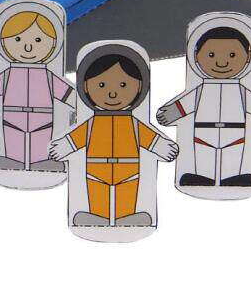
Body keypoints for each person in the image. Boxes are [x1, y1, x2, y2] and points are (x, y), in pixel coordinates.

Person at [50, 45, 178, 227]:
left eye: (123, 85)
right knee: (97, 195)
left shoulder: (133, 124)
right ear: (85, 87)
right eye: (101, 85)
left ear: (139, 87)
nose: (112, 93)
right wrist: (63, 147)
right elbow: (76, 138)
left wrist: (161, 147)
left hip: (129, 169)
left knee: (127, 195)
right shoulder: (91, 124)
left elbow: (149, 138)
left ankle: (127, 217)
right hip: (96, 169)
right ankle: (97, 216)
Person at [157, 18, 251, 188]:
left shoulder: (242, 91)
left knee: (233, 155)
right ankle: (202, 177)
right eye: (211, 55)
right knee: (204, 155)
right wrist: (171, 113)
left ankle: (233, 177)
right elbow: (184, 104)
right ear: (196, 55)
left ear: (248, 56)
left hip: (234, 132)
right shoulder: (200, 90)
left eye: (232, 55)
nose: (221, 62)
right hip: (204, 131)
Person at [0, 3, 73, 173]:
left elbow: (66, 92)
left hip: (43, 117)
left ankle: (40, 161)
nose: (28, 47)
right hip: (12, 116)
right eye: (17, 39)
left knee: (41, 140)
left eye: (38, 40)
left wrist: (80, 102)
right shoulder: (7, 74)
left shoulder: (48, 76)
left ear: (53, 44)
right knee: (13, 139)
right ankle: (13, 160)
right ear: (3, 42)